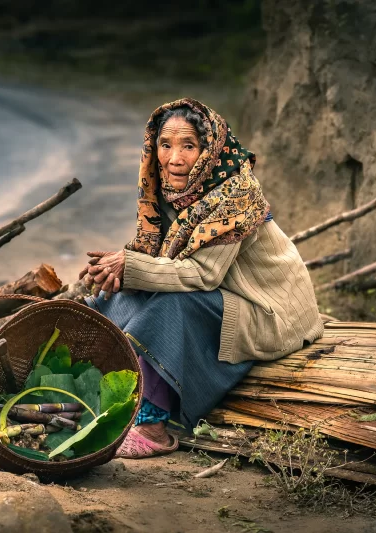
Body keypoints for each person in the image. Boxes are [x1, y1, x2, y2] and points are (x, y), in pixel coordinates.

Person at [79, 98, 323, 458]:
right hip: (224, 292)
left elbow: (203, 274)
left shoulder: (235, 195)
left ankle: (152, 425)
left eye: (188, 146)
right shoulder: (167, 186)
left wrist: (130, 265)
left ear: (209, 150)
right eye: (165, 145)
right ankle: (104, 392)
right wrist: (115, 269)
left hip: (270, 310)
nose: (174, 158)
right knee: (119, 293)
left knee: (170, 307)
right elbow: (155, 257)